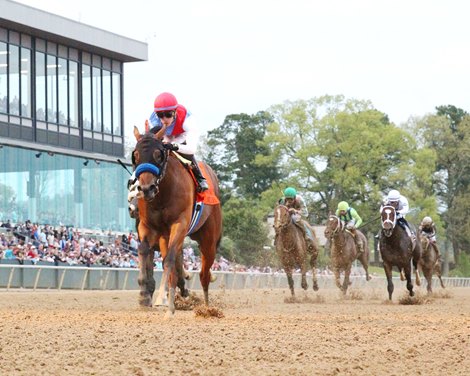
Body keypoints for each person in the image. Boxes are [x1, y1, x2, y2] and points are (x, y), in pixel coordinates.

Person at [127, 92, 208, 218]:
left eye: (168, 114)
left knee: (184, 153)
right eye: (160, 115)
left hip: (183, 135)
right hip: (167, 135)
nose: (164, 119)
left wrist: (175, 146)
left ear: (174, 112)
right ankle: (135, 180)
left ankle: (200, 178)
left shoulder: (188, 121)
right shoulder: (154, 120)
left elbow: (191, 149)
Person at [278, 187, 316, 252]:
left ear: (295, 197)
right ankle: (277, 238)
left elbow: (305, 213)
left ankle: (308, 237)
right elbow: (279, 211)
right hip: (286, 215)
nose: (289, 201)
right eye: (287, 199)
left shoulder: (300, 200)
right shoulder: (282, 201)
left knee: (295, 219)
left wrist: (295, 210)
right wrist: (285, 207)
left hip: (297, 214)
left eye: (291, 199)